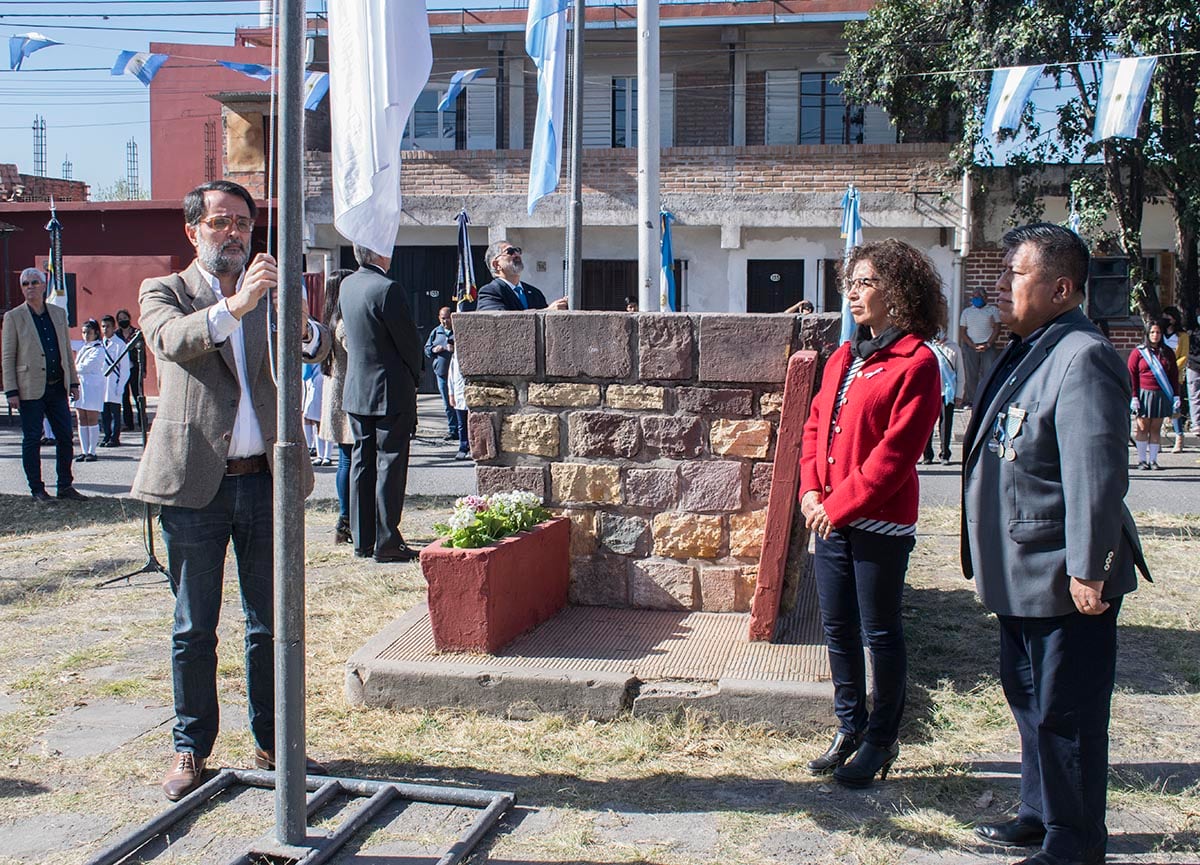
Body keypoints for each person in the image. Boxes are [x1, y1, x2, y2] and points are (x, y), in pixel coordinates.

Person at [129, 179, 329, 801]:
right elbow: (173, 342)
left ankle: (275, 743)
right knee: (195, 626)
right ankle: (191, 748)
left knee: (270, 623)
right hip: (195, 487)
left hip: (265, 481)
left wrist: (299, 322)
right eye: (220, 222)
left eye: (243, 223)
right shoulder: (166, 291)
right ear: (193, 231)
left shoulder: (267, 296)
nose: (235, 233)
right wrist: (238, 305)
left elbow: (320, 350)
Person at [964, 223, 1149, 865]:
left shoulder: (1084, 354)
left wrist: (1090, 568)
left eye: (1017, 273)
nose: (1002, 284)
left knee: (1066, 716)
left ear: (1062, 288)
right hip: (1022, 569)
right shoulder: (1029, 347)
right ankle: (1040, 814)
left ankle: (1074, 843)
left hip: (1063, 574)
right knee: (1030, 705)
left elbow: (1095, 474)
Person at [798, 239, 944, 788]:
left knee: (879, 632)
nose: (853, 293)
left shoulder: (918, 361)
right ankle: (849, 725)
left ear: (898, 291)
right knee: (837, 628)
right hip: (829, 517)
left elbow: (895, 454)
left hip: (877, 520)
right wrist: (811, 492)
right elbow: (816, 428)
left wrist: (834, 505)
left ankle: (882, 739)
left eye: (866, 282)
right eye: (850, 283)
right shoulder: (843, 356)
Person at [340, 243, 423, 563]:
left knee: (362, 464)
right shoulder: (388, 289)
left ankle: (363, 539)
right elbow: (408, 343)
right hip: (390, 389)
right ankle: (387, 540)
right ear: (379, 255)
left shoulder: (348, 284)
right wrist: (416, 376)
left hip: (357, 388)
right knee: (390, 464)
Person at [2, 267, 86, 502]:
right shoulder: (14, 317)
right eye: (25, 284)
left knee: (65, 437)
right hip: (29, 388)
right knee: (32, 439)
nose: (30, 287)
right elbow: (8, 356)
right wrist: (11, 390)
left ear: (43, 285)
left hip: (57, 386)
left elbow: (66, 352)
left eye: (34, 282)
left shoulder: (58, 314)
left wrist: (73, 381)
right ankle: (37, 488)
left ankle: (65, 486)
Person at [318, 269, 355, 545]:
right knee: (348, 460)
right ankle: (346, 518)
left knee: (346, 459)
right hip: (346, 398)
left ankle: (346, 518)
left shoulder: (328, 322)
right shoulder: (344, 324)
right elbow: (361, 352)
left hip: (335, 396)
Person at [1128, 320, 1179, 471]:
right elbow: (1132, 376)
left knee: (1156, 428)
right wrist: (1134, 396)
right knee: (1142, 427)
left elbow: (1173, 376)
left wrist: (1176, 396)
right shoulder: (1138, 352)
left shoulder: (1168, 352)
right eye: (1152, 332)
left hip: (1161, 393)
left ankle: (1154, 460)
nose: (1155, 335)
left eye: (1158, 332)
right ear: (1147, 334)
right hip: (1144, 393)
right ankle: (1142, 460)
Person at [475, 240, 569, 311]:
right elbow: (500, 325)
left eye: (517, 250)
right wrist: (547, 312)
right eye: (510, 251)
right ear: (496, 265)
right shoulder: (489, 292)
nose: (516, 254)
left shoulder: (535, 293)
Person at [923, 331, 964, 465]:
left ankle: (945, 454)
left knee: (946, 423)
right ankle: (927, 455)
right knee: (927, 424)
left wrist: (959, 394)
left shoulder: (954, 347)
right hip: (930, 391)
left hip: (948, 392)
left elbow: (960, 373)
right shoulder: (927, 346)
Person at [959, 285, 1001, 404]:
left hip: (988, 347)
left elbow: (997, 329)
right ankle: (971, 400)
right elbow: (963, 331)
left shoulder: (993, 310)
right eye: (974, 296)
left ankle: (987, 399)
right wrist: (972, 345)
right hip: (971, 347)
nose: (976, 298)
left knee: (988, 373)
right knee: (971, 374)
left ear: (985, 297)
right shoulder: (967, 312)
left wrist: (988, 344)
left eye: (978, 296)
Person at [71, 319, 106, 463]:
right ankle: (84, 451)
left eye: (89, 332)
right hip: (81, 385)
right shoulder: (84, 348)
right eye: (84, 332)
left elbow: (85, 367)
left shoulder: (99, 349)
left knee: (91, 418)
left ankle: (92, 451)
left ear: (96, 333)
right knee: (81, 418)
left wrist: (71, 369)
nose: (86, 335)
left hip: (92, 387)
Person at [424, 306, 459, 441]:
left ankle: (462, 430)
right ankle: (452, 430)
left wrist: (455, 349)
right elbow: (427, 349)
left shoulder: (458, 330)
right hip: (442, 374)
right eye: (443, 319)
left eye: (448, 318)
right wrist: (433, 350)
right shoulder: (436, 332)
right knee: (447, 404)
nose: (445, 321)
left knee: (459, 403)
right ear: (439, 318)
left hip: (457, 375)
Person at [98, 314, 130, 447]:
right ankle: (106, 435)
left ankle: (114, 437)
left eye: (108, 326)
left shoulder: (119, 344)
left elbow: (125, 368)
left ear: (114, 327)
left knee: (114, 412)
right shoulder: (99, 344)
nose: (105, 329)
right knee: (104, 412)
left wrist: (120, 385)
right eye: (103, 326)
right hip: (102, 383)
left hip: (114, 382)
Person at [1161, 306, 1188, 451]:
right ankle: (1156, 438)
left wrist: (1171, 368)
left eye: (1169, 317)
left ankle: (1179, 436)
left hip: (1174, 375)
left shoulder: (1182, 336)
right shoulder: (1160, 334)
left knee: (1175, 406)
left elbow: (1184, 355)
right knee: (1158, 406)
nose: (1167, 320)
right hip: (1160, 375)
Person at [115, 308, 143, 433]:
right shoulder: (117, 335)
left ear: (129, 318)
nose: (123, 321)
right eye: (120, 319)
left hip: (135, 368)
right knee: (124, 397)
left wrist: (144, 369)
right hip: (122, 370)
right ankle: (128, 423)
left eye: (124, 318)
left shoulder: (136, 333)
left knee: (138, 395)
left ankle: (142, 422)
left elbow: (142, 352)